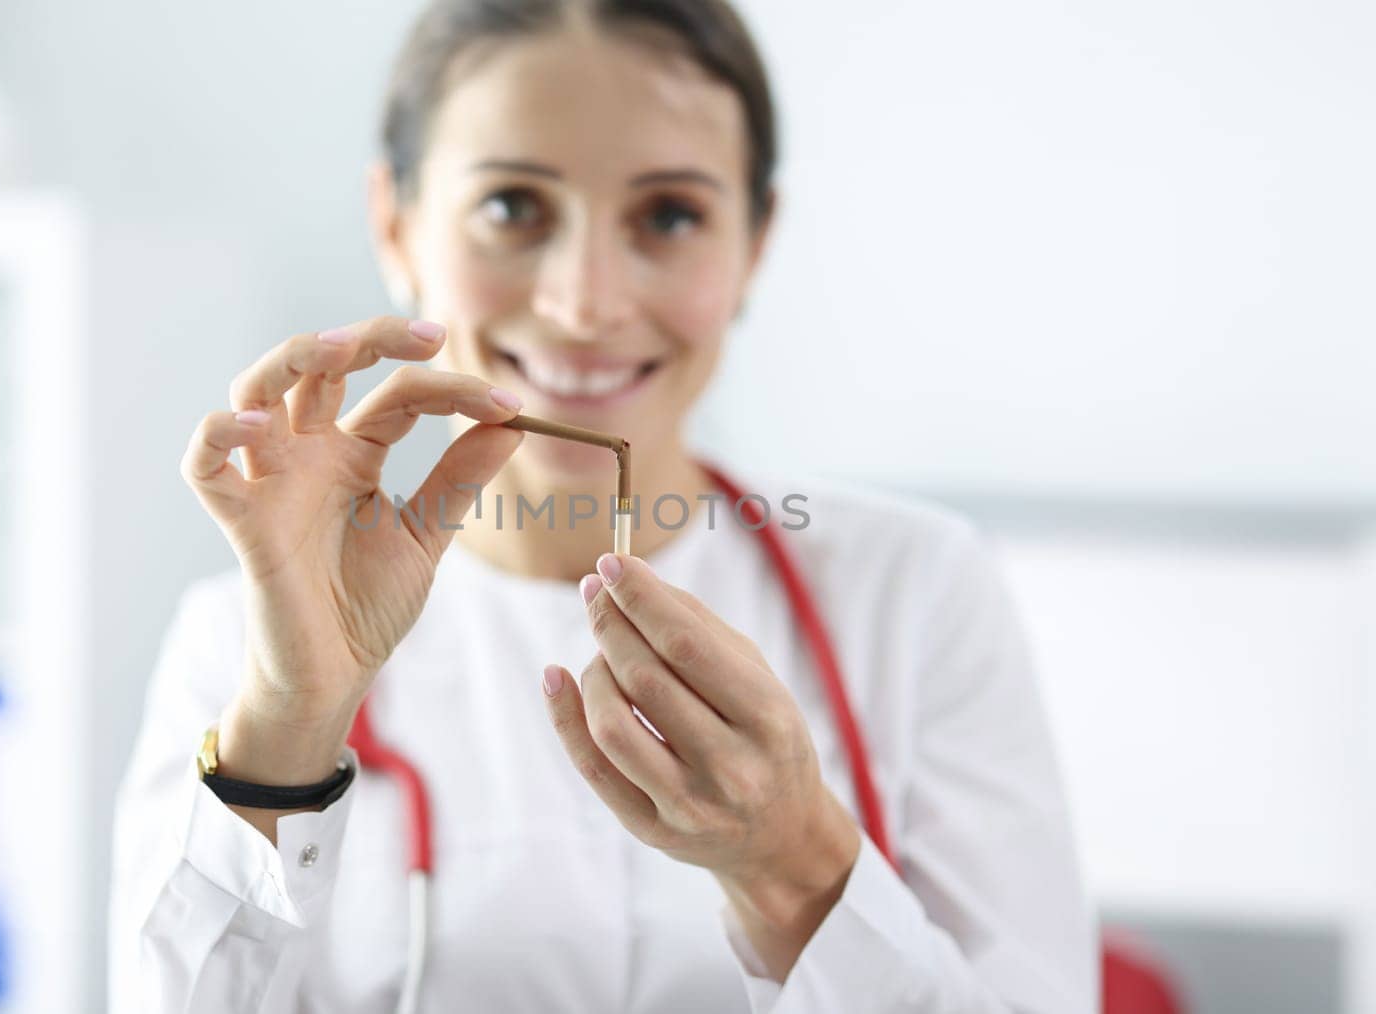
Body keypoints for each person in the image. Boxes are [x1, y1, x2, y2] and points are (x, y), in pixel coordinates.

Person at [109, 1, 1095, 1011]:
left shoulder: (915, 593)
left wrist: (793, 859)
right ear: (394, 224)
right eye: (511, 208)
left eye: (668, 215)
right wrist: (291, 717)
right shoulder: (242, 645)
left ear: (755, 243)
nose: (584, 304)